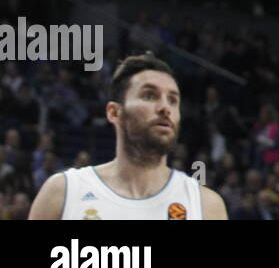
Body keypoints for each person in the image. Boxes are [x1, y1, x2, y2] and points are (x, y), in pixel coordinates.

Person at [28, 53, 227, 220]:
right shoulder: (63, 192)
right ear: (115, 113)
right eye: (149, 95)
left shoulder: (205, 205)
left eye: (173, 100)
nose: (165, 107)